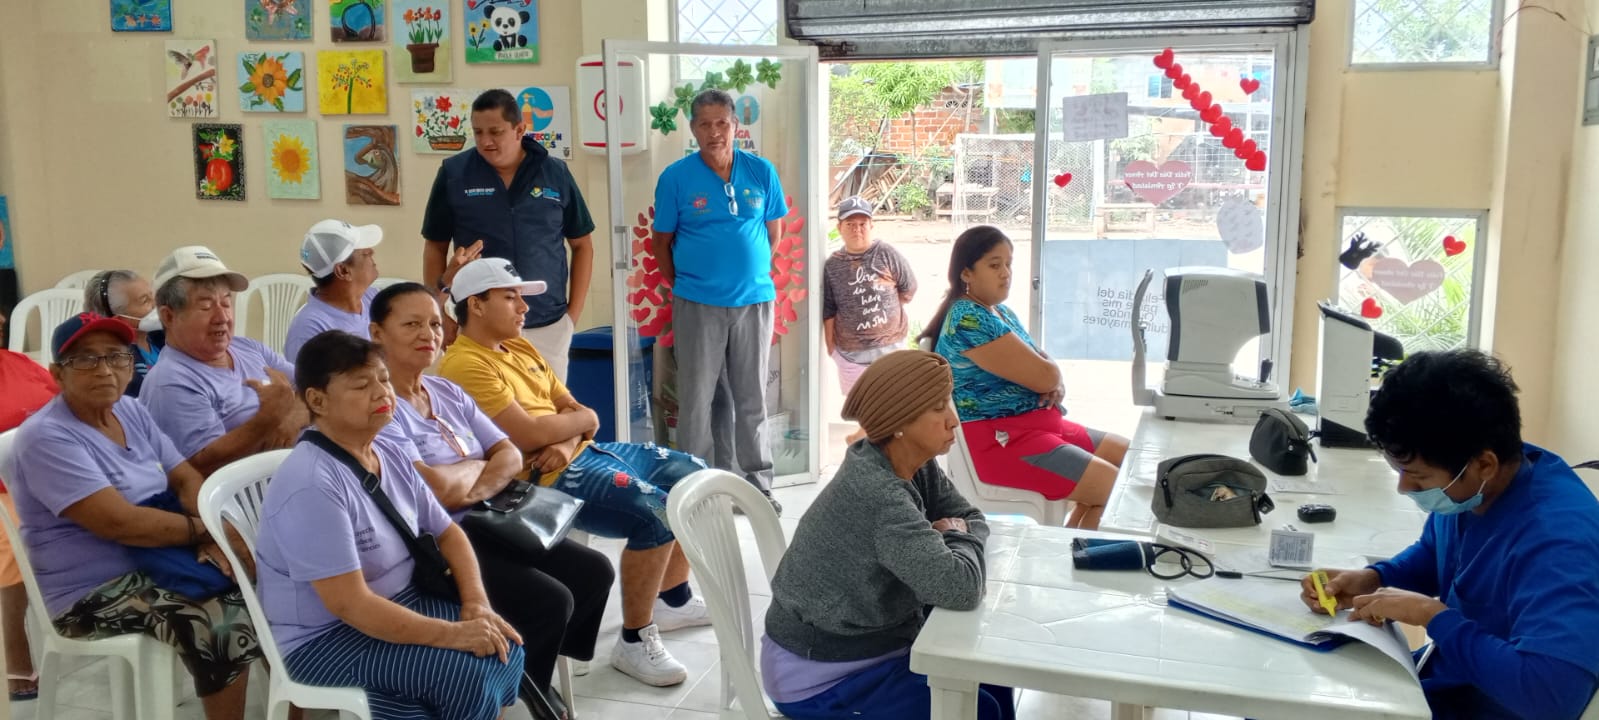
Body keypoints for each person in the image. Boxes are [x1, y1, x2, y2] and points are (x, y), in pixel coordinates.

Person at [438, 258, 713, 688]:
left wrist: (565, 440)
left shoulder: (519, 347)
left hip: (578, 453)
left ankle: (672, 599)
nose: (523, 308)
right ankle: (634, 640)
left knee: (693, 475)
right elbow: (530, 433)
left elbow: (574, 409)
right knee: (656, 511)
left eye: (520, 298)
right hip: (540, 479)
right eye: (510, 298)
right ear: (475, 304)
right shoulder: (464, 365)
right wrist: (575, 426)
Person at [1300, 350, 1599, 720]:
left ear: (1484, 464)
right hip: (1445, 684)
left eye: (1418, 476)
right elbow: (1436, 554)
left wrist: (1432, 616)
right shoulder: (1476, 487)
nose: (1404, 488)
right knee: (1301, 685)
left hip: (1493, 706)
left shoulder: (1559, 542)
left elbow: (1552, 698)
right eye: (1399, 471)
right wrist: (1375, 578)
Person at [369, 281, 614, 714]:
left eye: (434, 324)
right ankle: (522, 688)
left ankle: (527, 672)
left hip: (490, 518)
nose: (428, 334)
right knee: (551, 599)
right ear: (377, 333)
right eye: (411, 325)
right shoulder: (382, 408)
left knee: (594, 571)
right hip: (435, 543)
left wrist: (473, 482)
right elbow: (434, 491)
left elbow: (509, 452)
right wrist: (480, 469)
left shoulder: (446, 392)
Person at [255, 330, 524, 720]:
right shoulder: (311, 483)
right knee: (465, 677)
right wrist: (452, 635)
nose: (382, 392)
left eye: (383, 379)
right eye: (361, 385)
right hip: (324, 639)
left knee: (504, 646)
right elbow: (350, 604)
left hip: (400, 602)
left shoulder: (388, 451)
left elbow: (448, 533)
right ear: (317, 401)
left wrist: (476, 605)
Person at [8, 313, 260, 719]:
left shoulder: (130, 410)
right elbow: (119, 523)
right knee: (221, 624)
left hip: (159, 557)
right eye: (85, 359)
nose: (105, 370)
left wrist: (215, 535)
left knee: (268, 584)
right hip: (91, 588)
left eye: (116, 356)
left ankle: (297, 704)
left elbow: (184, 477)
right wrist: (204, 532)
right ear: (57, 373)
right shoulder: (47, 436)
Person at [762, 350, 1013, 720]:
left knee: (992, 671)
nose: (954, 420)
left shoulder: (912, 464)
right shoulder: (878, 495)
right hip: (820, 676)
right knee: (979, 710)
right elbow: (960, 588)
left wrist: (950, 537)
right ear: (898, 422)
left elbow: (970, 517)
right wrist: (955, 538)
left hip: (870, 646)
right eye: (939, 408)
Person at [922, 226, 1127, 529]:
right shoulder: (968, 318)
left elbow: (1042, 362)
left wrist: (1051, 377)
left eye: (1009, 264)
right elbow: (1045, 375)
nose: (1005, 273)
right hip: (1003, 441)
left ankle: (1070, 543)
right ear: (966, 273)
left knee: (1129, 458)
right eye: (994, 265)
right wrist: (1051, 378)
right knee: (1116, 491)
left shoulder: (999, 312)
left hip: (1040, 427)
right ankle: (1075, 553)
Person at [650, 88, 788, 513]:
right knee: (697, 399)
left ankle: (757, 486)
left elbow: (774, 233)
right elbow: (661, 243)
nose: (715, 132)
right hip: (697, 304)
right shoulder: (676, 177)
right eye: (705, 124)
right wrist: (689, 283)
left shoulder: (761, 171)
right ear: (693, 129)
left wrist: (747, 271)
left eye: (722, 123)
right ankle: (695, 488)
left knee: (751, 398)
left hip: (754, 302)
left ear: (735, 126)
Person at [422, 88, 595, 381]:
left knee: (545, 407)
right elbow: (434, 246)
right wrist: (438, 312)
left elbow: (582, 245)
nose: (485, 141)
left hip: (546, 326)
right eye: (478, 132)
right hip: (477, 327)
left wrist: (571, 317)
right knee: (480, 408)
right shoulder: (454, 173)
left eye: (495, 132)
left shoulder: (555, 173)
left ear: (519, 130)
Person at [140, 246, 307, 476]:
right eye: (206, 306)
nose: (222, 317)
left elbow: (317, 386)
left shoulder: (247, 348)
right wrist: (269, 418)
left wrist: (294, 415)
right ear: (168, 316)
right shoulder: (169, 381)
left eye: (227, 303)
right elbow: (200, 465)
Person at [822, 196, 916, 444]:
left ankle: (864, 439)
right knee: (863, 405)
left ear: (872, 225)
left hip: (891, 348)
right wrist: (831, 347)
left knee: (893, 402)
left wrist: (887, 313)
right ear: (839, 228)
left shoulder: (886, 253)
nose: (857, 229)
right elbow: (829, 308)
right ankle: (865, 438)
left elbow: (908, 288)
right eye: (850, 224)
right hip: (851, 353)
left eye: (863, 224)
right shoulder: (832, 265)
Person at [0, 310, 57, 701]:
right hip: (7, 492)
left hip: (49, 479)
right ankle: (15, 649)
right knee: (15, 533)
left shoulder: (20, 364)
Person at [283, 219, 383, 361]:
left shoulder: (372, 297)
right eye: (364, 254)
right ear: (343, 271)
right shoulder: (308, 330)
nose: (372, 251)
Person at [82, 270, 164, 397]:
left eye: (152, 296)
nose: (156, 305)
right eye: (145, 301)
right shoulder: (119, 365)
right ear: (119, 320)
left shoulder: (163, 337)